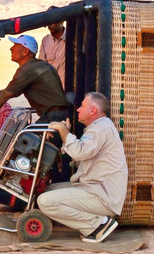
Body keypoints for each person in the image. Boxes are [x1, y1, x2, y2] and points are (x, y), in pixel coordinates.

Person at [37, 92, 128, 243]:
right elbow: (82, 154)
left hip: (102, 196)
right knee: (49, 190)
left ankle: (98, 225)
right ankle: (89, 222)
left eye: (82, 106)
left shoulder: (101, 129)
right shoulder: (98, 128)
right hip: (96, 189)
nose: (78, 109)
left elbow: (79, 152)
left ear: (93, 110)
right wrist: (64, 135)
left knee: (46, 201)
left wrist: (62, 130)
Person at [0, 34, 71, 182]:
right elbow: (11, 91)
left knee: (23, 148)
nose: (11, 48)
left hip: (53, 118)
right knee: (43, 158)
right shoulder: (36, 66)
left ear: (25, 51)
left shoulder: (27, 70)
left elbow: (4, 97)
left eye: (15, 46)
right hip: (54, 115)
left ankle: (21, 190)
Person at [39, 9, 66, 86]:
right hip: (53, 89)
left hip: (72, 90)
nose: (49, 26)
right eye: (48, 22)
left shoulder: (74, 37)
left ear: (61, 21)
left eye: (52, 22)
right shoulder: (46, 41)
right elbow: (42, 67)